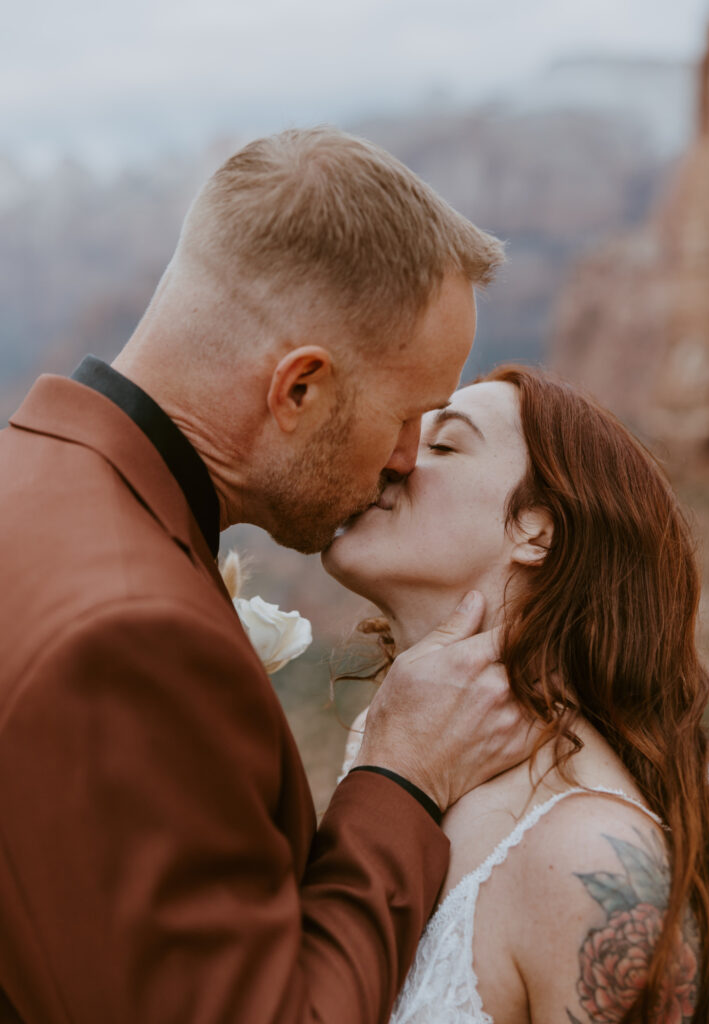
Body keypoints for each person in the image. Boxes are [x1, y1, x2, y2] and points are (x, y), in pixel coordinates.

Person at [0, 129, 533, 1023]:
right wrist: (401, 778)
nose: (407, 460)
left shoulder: (32, 478)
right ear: (299, 390)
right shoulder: (130, 635)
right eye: (407, 416)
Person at [326, 366, 709, 1023]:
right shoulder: (379, 753)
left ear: (536, 531)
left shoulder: (593, 862)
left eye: (444, 445)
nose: (393, 457)